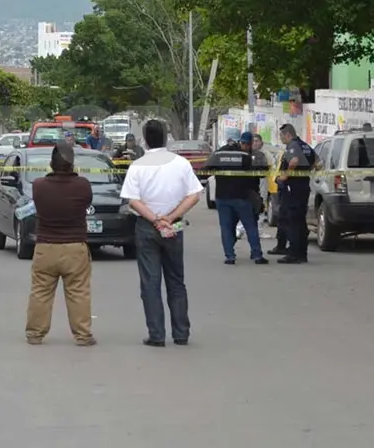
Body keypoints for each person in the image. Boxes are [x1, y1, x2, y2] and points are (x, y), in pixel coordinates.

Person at [120, 119, 204, 347]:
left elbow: (132, 200)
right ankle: (181, 333)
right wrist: (170, 216)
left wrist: (155, 219)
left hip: (147, 227)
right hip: (174, 226)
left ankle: (156, 334)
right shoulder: (181, 163)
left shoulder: (138, 165)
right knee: (176, 280)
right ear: (167, 137)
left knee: (150, 282)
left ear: (145, 139)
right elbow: (195, 195)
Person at [25, 141, 96, 346]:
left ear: (51, 164)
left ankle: (35, 334)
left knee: (40, 292)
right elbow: (87, 203)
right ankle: (83, 335)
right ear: (73, 165)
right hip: (75, 247)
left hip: (45, 246)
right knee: (78, 292)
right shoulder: (83, 185)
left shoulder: (39, 186)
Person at [206, 132, 269, 265]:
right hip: (241, 197)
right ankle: (257, 255)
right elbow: (256, 175)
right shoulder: (245, 156)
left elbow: (206, 169)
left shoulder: (219, 153)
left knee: (226, 227)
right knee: (250, 226)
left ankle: (230, 256)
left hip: (222, 196)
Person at [275, 123, 317, 264]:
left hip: (293, 187)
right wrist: (305, 172)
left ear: (288, 135)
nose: (281, 139)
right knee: (300, 221)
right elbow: (318, 162)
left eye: (281, 136)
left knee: (291, 220)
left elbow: (294, 161)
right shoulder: (305, 146)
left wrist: (285, 176)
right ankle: (301, 254)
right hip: (304, 185)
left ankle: (293, 253)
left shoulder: (293, 145)